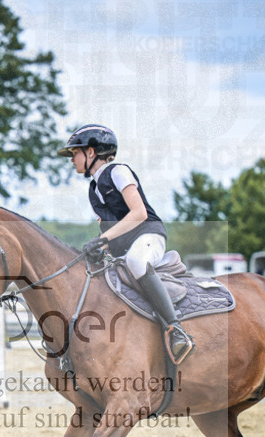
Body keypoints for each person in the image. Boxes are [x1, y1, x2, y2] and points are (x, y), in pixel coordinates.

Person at [57, 124, 194, 364]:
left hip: (149, 236)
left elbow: (139, 213)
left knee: (136, 261)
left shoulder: (118, 172)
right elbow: (112, 230)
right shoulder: (93, 189)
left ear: (91, 153)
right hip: (125, 246)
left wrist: (103, 239)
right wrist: (101, 248)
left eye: (74, 153)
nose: (71, 160)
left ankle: (176, 329)